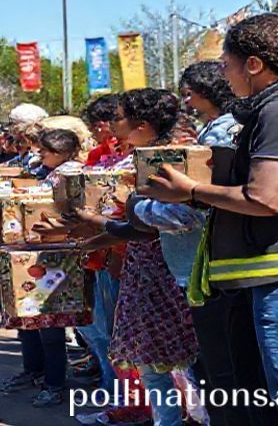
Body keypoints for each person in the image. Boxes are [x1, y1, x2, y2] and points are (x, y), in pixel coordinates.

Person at [146, 13, 278, 425]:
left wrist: (190, 191)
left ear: (254, 64)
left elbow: (266, 198)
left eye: (227, 65)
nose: (224, 77)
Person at [66, 89, 201, 426]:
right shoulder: (139, 157)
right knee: (151, 361)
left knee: (186, 364)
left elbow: (170, 220)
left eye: (119, 116)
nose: (113, 123)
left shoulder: (170, 159)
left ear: (141, 124)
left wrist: (121, 213)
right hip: (143, 270)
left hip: (171, 273)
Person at [0, 128, 82, 409]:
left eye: (45, 151)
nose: (40, 155)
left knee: (49, 321)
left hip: (56, 256)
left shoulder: (69, 174)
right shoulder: (53, 172)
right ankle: (36, 371)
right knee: (31, 317)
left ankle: (54, 383)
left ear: (61, 152)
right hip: (40, 253)